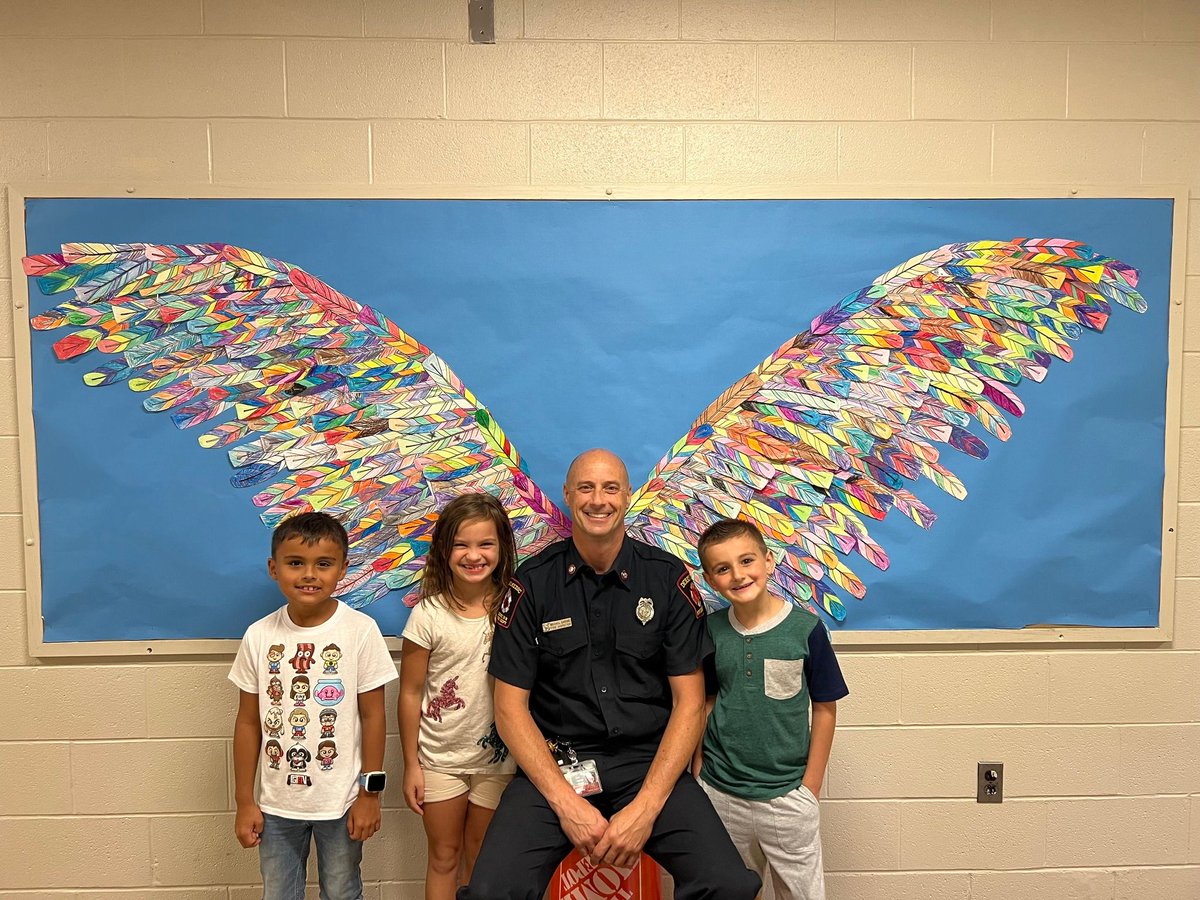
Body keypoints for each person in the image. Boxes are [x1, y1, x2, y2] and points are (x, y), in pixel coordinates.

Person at [458, 449, 761, 900]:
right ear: (567, 495)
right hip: (557, 765)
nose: (598, 499)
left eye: (610, 488)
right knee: (490, 892)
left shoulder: (666, 579)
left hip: (649, 765)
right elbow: (509, 709)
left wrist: (647, 808)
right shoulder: (532, 583)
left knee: (729, 885)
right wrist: (566, 805)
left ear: (627, 495)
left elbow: (690, 703)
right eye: (586, 487)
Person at [230, 511, 398, 900]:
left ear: (343, 569)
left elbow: (374, 717)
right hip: (276, 805)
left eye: (323, 564)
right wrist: (244, 801)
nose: (309, 574)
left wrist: (370, 795)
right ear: (274, 568)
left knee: (341, 892)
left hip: (342, 802)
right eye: (295, 563)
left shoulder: (360, 631)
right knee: (278, 893)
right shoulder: (259, 635)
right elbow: (248, 723)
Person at [692, 518, 848, 900]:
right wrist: (698, 768)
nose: (738, 575)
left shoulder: (806, 629)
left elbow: (825, 707)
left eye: (747, 561)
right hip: (722, 792)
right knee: (730, 891)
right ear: (710, 580)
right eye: (723, 568)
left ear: (768, 561)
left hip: (787, 795)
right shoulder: (710, 630)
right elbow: (704, 702)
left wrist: (810, 787)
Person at [399, 493, 519, 899]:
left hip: (498, 761)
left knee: (482, 859)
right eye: (461, 545)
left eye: (485, 544)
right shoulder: (428, 614)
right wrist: (411, 765)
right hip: (440, 760)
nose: (473, 555)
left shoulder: (514, 609)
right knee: (444, 856)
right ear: (443, 550)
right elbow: (410, 692)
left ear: (502, 548)